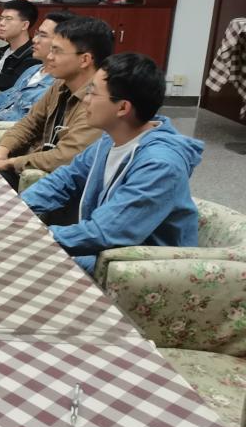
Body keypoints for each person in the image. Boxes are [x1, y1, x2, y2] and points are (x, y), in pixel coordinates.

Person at [21, 53, 203, 274]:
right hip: (106, 254)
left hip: (141, 270)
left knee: (25, 265)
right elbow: (67, 178)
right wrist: (18, 210)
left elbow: (105, 232)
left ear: (123, 108)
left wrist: (32, 238)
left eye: (92, 92)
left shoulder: (160, 165)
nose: (85, 100)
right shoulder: (111, 139)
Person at [0, 16, 113, 189]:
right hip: (31, 169)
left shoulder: (98, 102)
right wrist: (3, 150)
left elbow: (65, 157)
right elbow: (29, 123)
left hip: (58, 184)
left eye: (57, 51)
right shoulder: (60, 84)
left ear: (84, 60)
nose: (50, 57)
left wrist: (12, 163)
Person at [0, 11, 75, 127]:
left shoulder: (58, 86)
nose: (34, 40)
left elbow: (28, 128)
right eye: (37, 33)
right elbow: (0, 100)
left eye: (43, 35)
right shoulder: (32, 70)